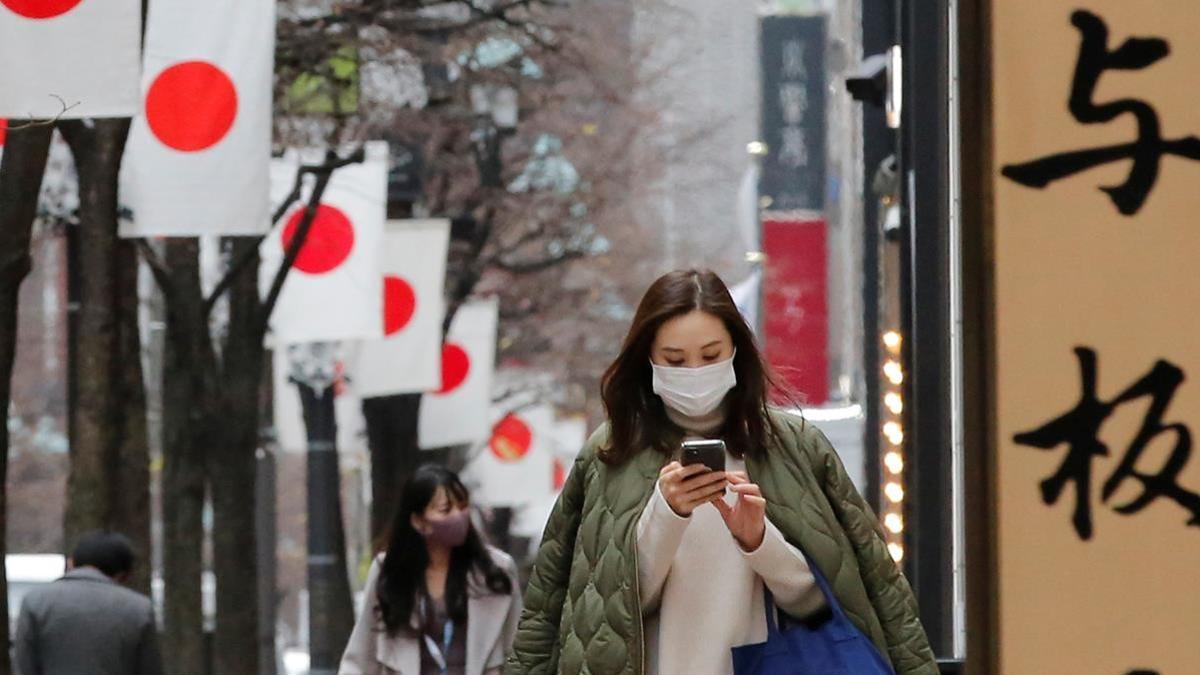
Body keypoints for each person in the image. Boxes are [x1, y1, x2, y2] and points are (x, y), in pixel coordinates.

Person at [505, 269, 937, 675]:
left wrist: (759, 540)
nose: (695, 373)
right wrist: (667, 515)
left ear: (735, 350)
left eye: (710, 355)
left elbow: (847, 596)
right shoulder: (609, 454)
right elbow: (585, 608)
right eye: (674, 360)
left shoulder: (793, 446)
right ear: (648, 362)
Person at [340, 465, 522, 675]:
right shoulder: (389, 572)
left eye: (462, 506)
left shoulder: (496, 571)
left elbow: (519, 651)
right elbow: (361, 657)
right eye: (446, 510)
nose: (458, 515)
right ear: (419, 522)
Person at [14, 531, 162, 675]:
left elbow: (24, 665)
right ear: (124, 574)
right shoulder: (139, 608)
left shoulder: (35, 602)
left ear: (71, 563)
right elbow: (149, 668)